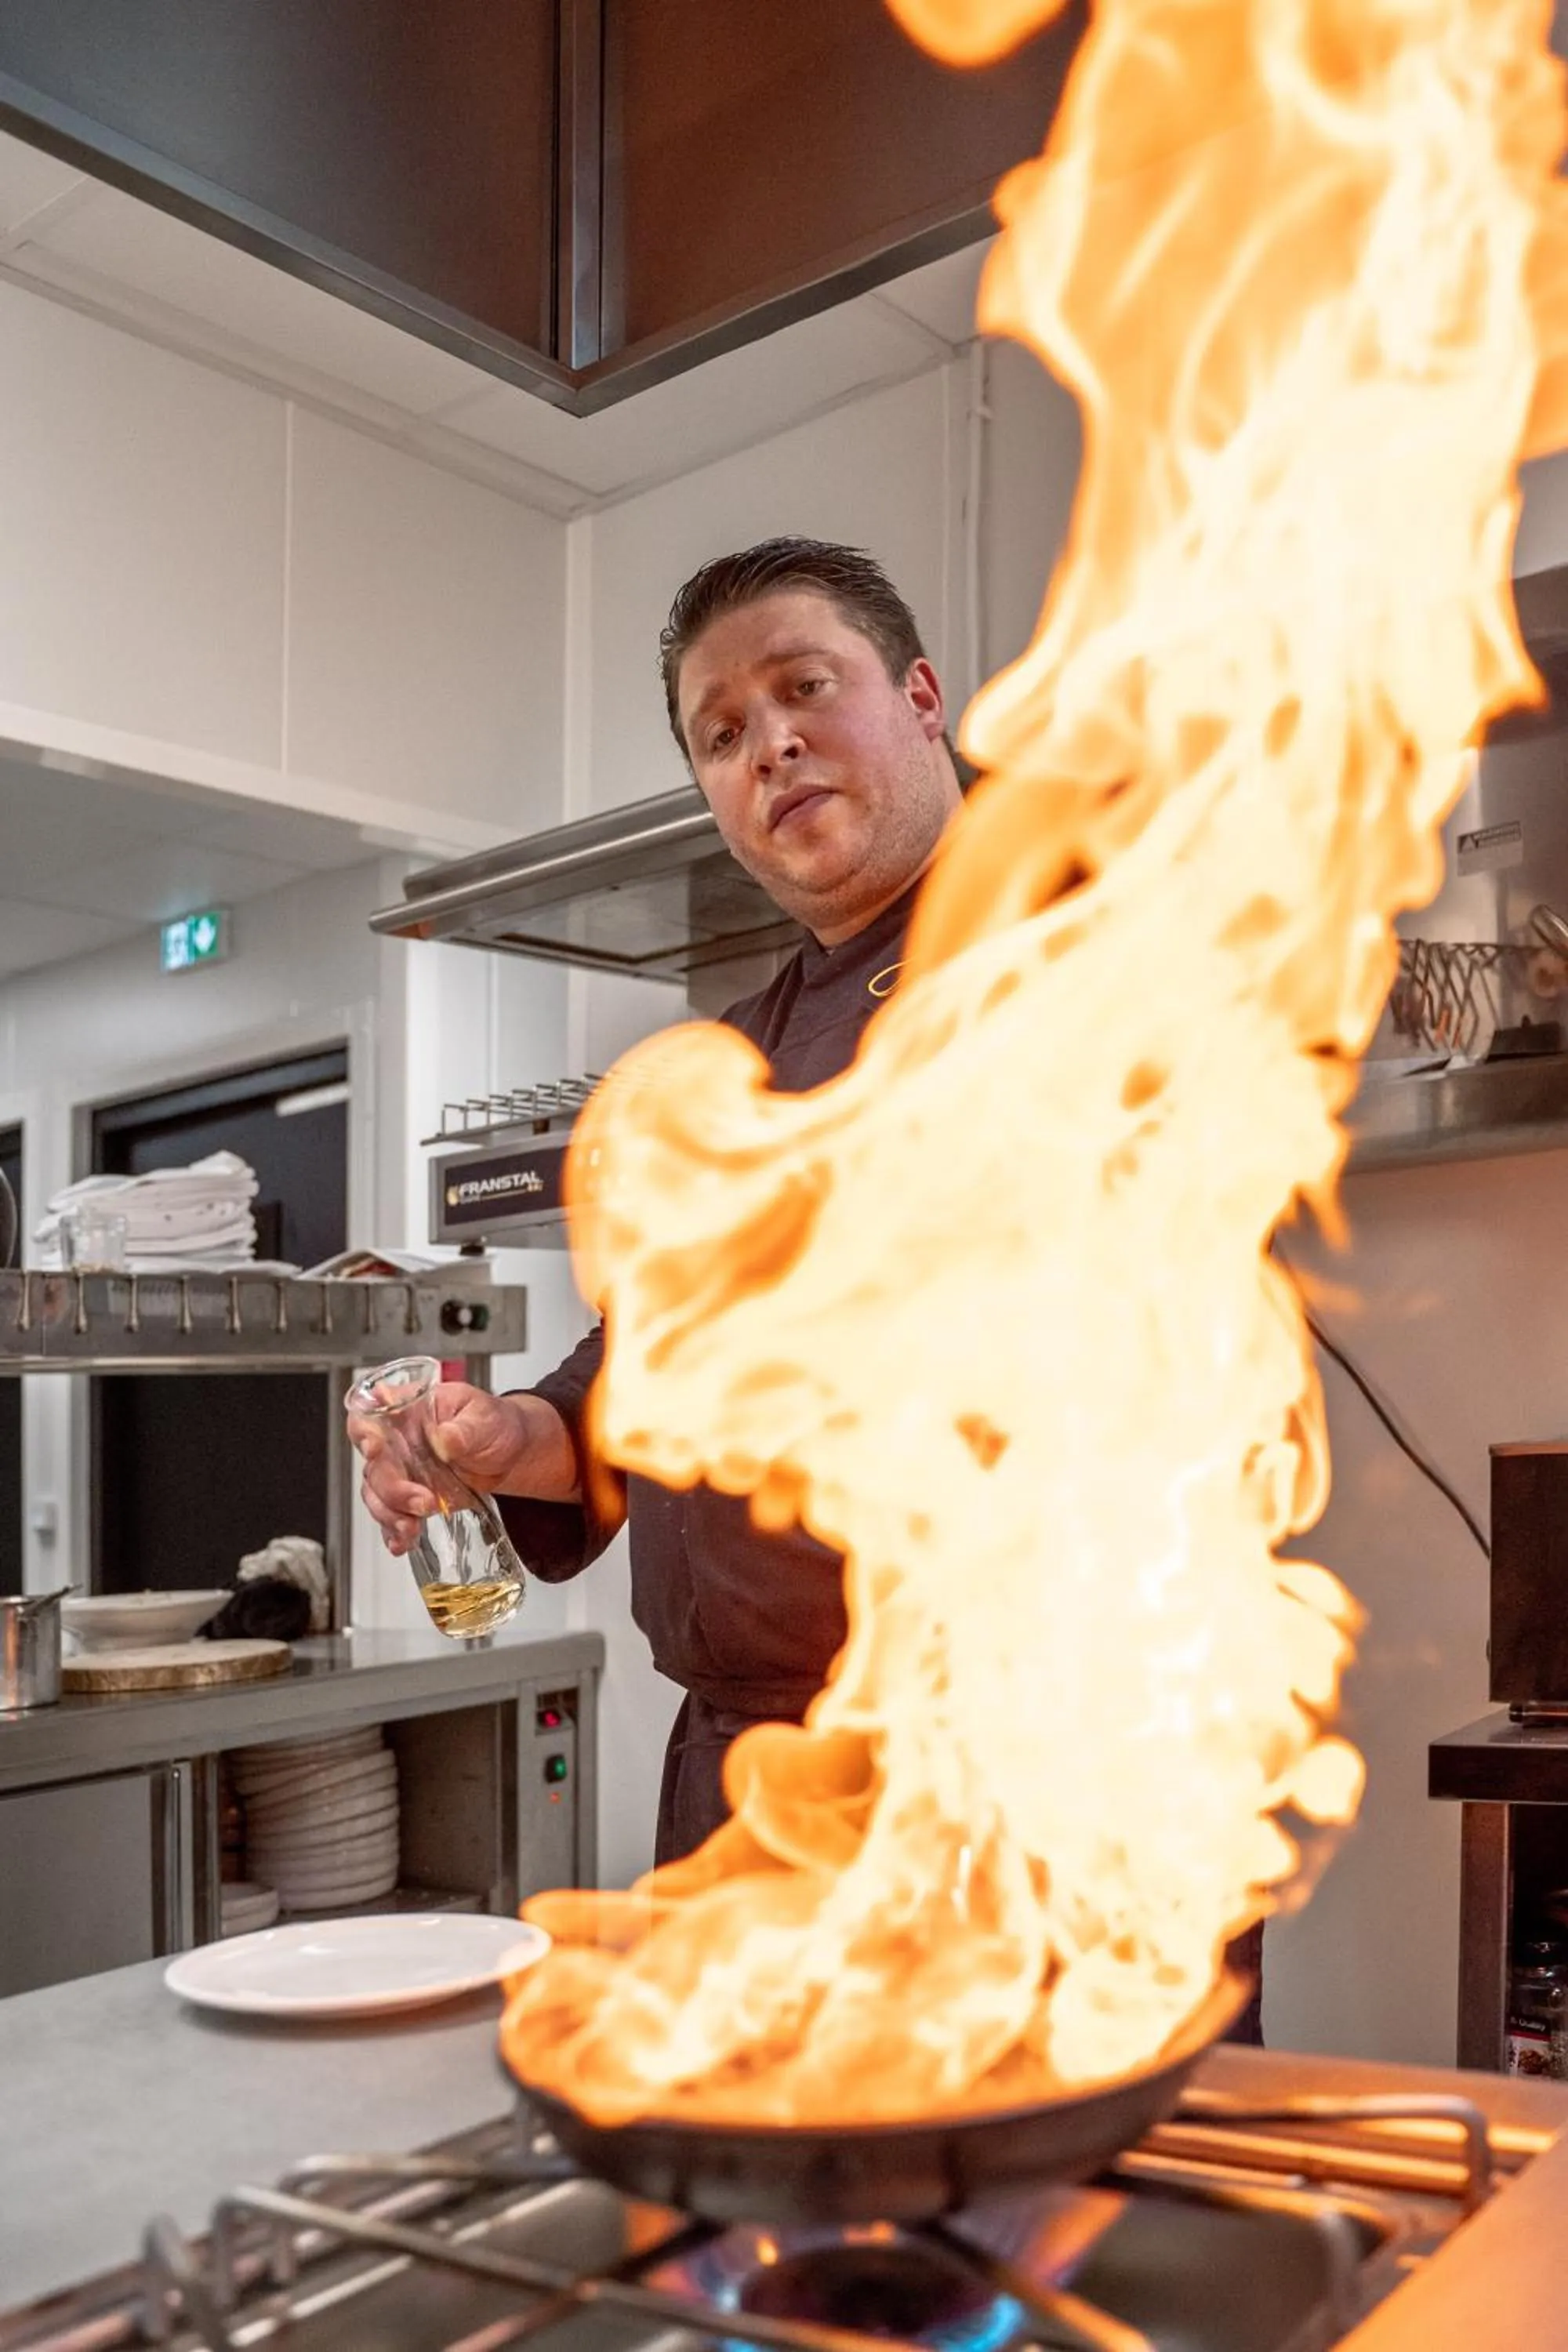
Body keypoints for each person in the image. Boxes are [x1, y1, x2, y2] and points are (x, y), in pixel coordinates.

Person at [349, 533, 1267, 2035]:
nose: (766, 742)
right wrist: (522, 1437)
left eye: (804, 688)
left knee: (1049, 2230)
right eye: (721, 734)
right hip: (746, 1780)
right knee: (778, 2247)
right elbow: (646, 1351)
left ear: (917, 698)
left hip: (998, 1779)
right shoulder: (745, 1043)